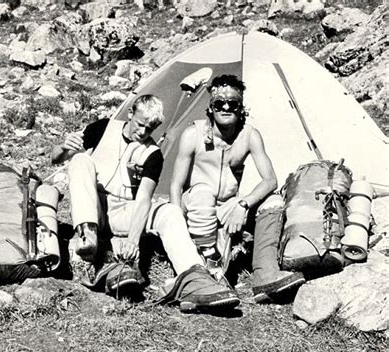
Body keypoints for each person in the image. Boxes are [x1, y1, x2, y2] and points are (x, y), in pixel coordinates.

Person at [51, 94, 240, 312]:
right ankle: (88, 236)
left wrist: (133, 239)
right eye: (140, 125)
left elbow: (143, 199)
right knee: (80, 159)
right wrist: (64, 147)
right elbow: (55, 159)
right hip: (95, 208)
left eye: (149, 129)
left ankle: (193, 276)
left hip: (124, 212)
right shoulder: (103, 128)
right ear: (130, 114)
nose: (142, 133)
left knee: (169, 211)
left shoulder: (153, 154)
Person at [170, 75, 305, 303]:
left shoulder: (249, 135)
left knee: (273, 201)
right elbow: (175, 184)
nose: (225, 107)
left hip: (229, 205)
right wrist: (176, 225)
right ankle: (210, 265)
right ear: (210, 108)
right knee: (202, 191)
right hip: (197, 206)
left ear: (241, 107)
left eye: (232, 103)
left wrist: (243, 204)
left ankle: (265, 274)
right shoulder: (192, 135)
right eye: (218, 103)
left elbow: (270, 179)